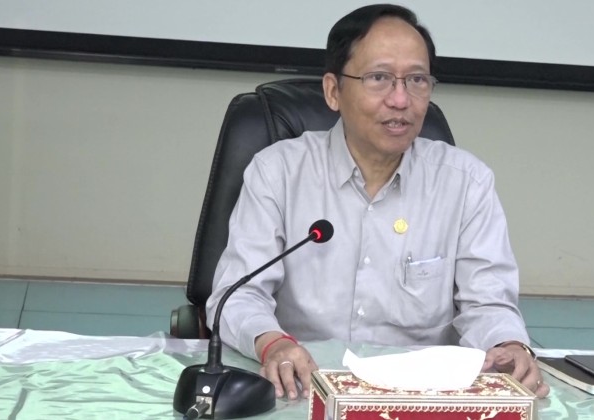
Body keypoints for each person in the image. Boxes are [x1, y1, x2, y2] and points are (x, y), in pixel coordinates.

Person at [207, 3, 549, 401]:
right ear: (333, 91)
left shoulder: (466, 183)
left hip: (421, 397)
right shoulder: (278, 172)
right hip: (301, 387)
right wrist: (273, 343)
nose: (401, 100)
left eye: (417, 80)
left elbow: (488, 302)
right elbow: (238, 294)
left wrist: (508, 345)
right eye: (379, 78)